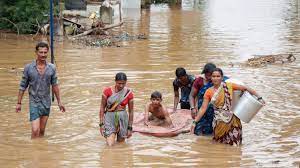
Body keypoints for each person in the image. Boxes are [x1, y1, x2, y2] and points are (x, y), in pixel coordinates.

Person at [191, 68, 265, 146]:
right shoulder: (208, 92)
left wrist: (259, 97)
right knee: (220, 144)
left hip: (233, 121)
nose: (215, 78)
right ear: (211, 78)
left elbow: (245, 88)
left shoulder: (229, 86)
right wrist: (194, 122)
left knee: (235, 144)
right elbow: (203, 108)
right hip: (219, 123)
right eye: (213, 76)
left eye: (218, 76)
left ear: (222, 77)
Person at [16, 41, 65, 139]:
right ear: (36, 52)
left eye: (45, 52)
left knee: (41, 131)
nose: (43, 55)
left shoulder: (52, 68)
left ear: (47, 52)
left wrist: (59, 102)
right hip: (34, 102)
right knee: (35, 130)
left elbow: (55, 85)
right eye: (41, 52)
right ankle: (33, 152)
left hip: (46, 102)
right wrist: (19, 103)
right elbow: (22, 86)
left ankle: (39, 150)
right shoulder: (28, 68)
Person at [189, 63, 229, 135]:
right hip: (202, 111)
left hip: (215, 112)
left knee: (214, 132)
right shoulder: (199, 81)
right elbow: (192, 95)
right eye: (206, 74)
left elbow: (232, 86)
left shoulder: (221, 80)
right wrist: (192, 108)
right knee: (198, 132)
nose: (208, 77)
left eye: (210, 75)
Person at [99, 72, 134, 146]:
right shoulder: (107, 91)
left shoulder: (128, 93)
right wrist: (101, 124)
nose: (121, 86)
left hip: (123, 119)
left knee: (121, 144)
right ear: (115, 81)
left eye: (123, 83)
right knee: (110, 145)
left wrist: (130, 128)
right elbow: (102, 108)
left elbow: (131, 112)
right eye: (119, 83)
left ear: (126, 82)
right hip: (109, 118)